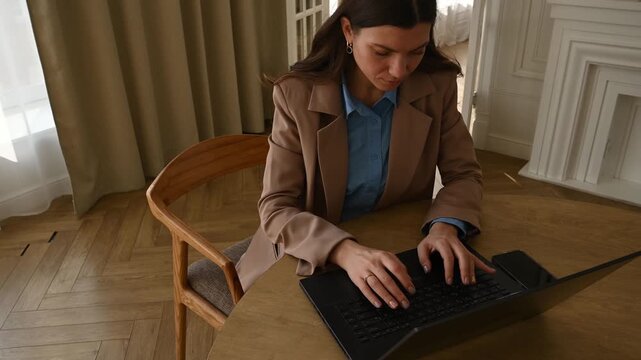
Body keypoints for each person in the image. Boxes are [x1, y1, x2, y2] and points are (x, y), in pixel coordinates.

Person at [235, 0, 494, 310]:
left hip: (397, 248)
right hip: (309, 256)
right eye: (382, 52)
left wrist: (444, 226)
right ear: (348, 32)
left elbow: (463, 174)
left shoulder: (437, 86)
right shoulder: (295, 96)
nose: (400, 71)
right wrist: (345, 251)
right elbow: (276, 208)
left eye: (416, 51)